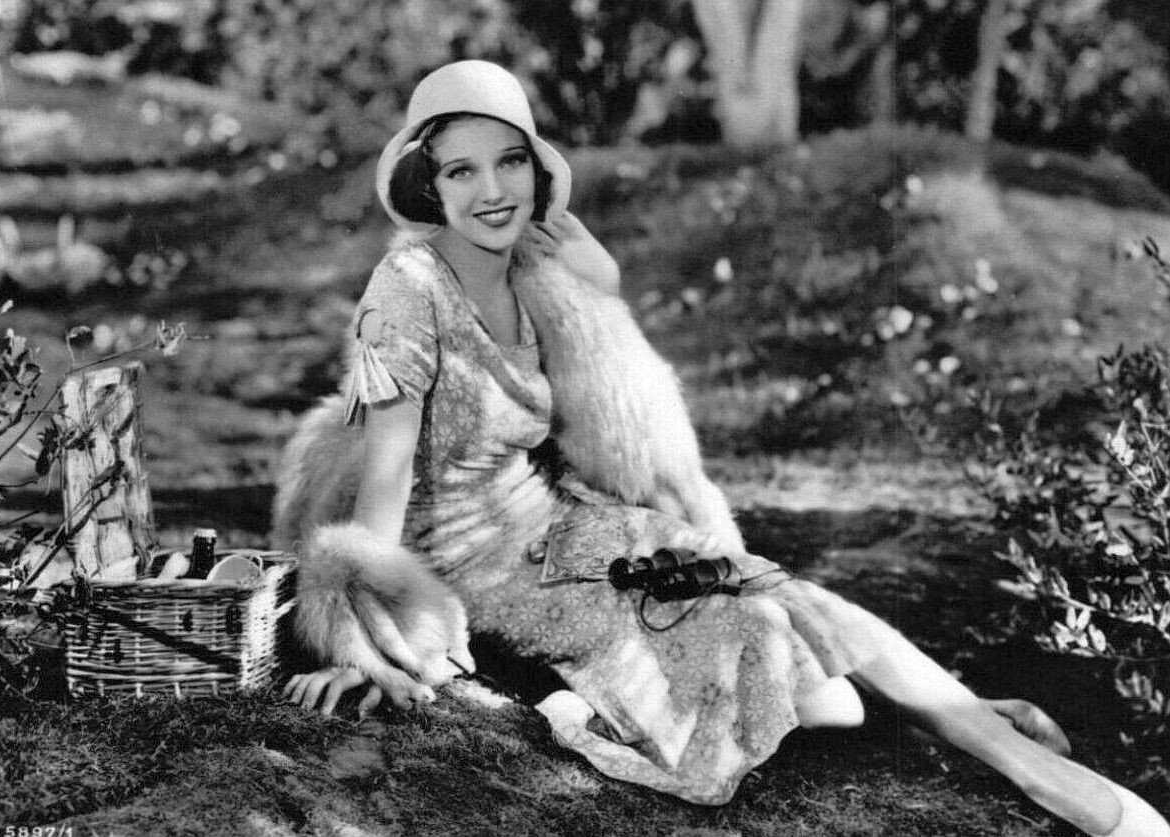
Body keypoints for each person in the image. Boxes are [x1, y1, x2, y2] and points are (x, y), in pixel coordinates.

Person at [276, 60, 1168, 836]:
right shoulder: (406, 287)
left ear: (534, 170)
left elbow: (610, 397)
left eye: (509, 160)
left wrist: (595, 278)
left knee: (789, 609)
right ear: (429, 187)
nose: (492, 190)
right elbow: (383, 473)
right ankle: (615, 705)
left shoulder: (538, 272)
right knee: (816, 689)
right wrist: (367, 639)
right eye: (460, 170)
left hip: (564, 521)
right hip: (479, 566)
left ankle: (1015, 756)